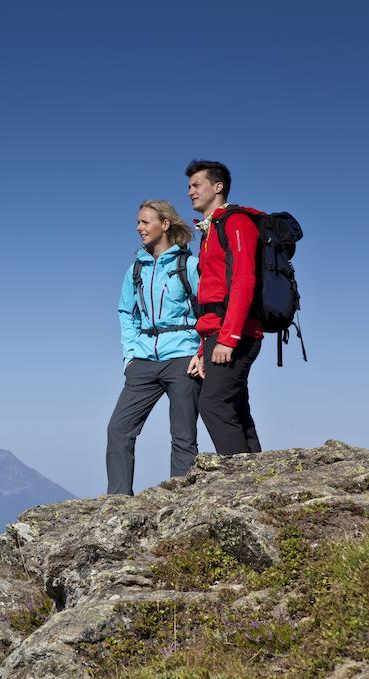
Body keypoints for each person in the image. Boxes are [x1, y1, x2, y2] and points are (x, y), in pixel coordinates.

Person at [106, 199, 201, 494]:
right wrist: (130, 356)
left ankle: (180, 503)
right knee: (119, 430)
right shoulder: (137, 268)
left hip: (183, 356)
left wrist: (201, 353)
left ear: (165, 224)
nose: (139, 228)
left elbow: (209, 311)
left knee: (183, 436)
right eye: (138, 222)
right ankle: (118, 502)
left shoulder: (190, 265)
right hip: (143, 359)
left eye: (145, 222)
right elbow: (126, 313)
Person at [185, 159, 262, 455]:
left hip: (236, 333)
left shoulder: (236, 222)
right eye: (189, 187)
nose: (190, 192)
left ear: (218, 187)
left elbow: (244, 280)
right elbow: (215, 294)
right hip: (217, 333)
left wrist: (228, 339)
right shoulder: (209, 231)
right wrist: (204, 349)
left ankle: (238, 480)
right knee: (236, 408)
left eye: (196, 185)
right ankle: (259, 479)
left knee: (214, 403)